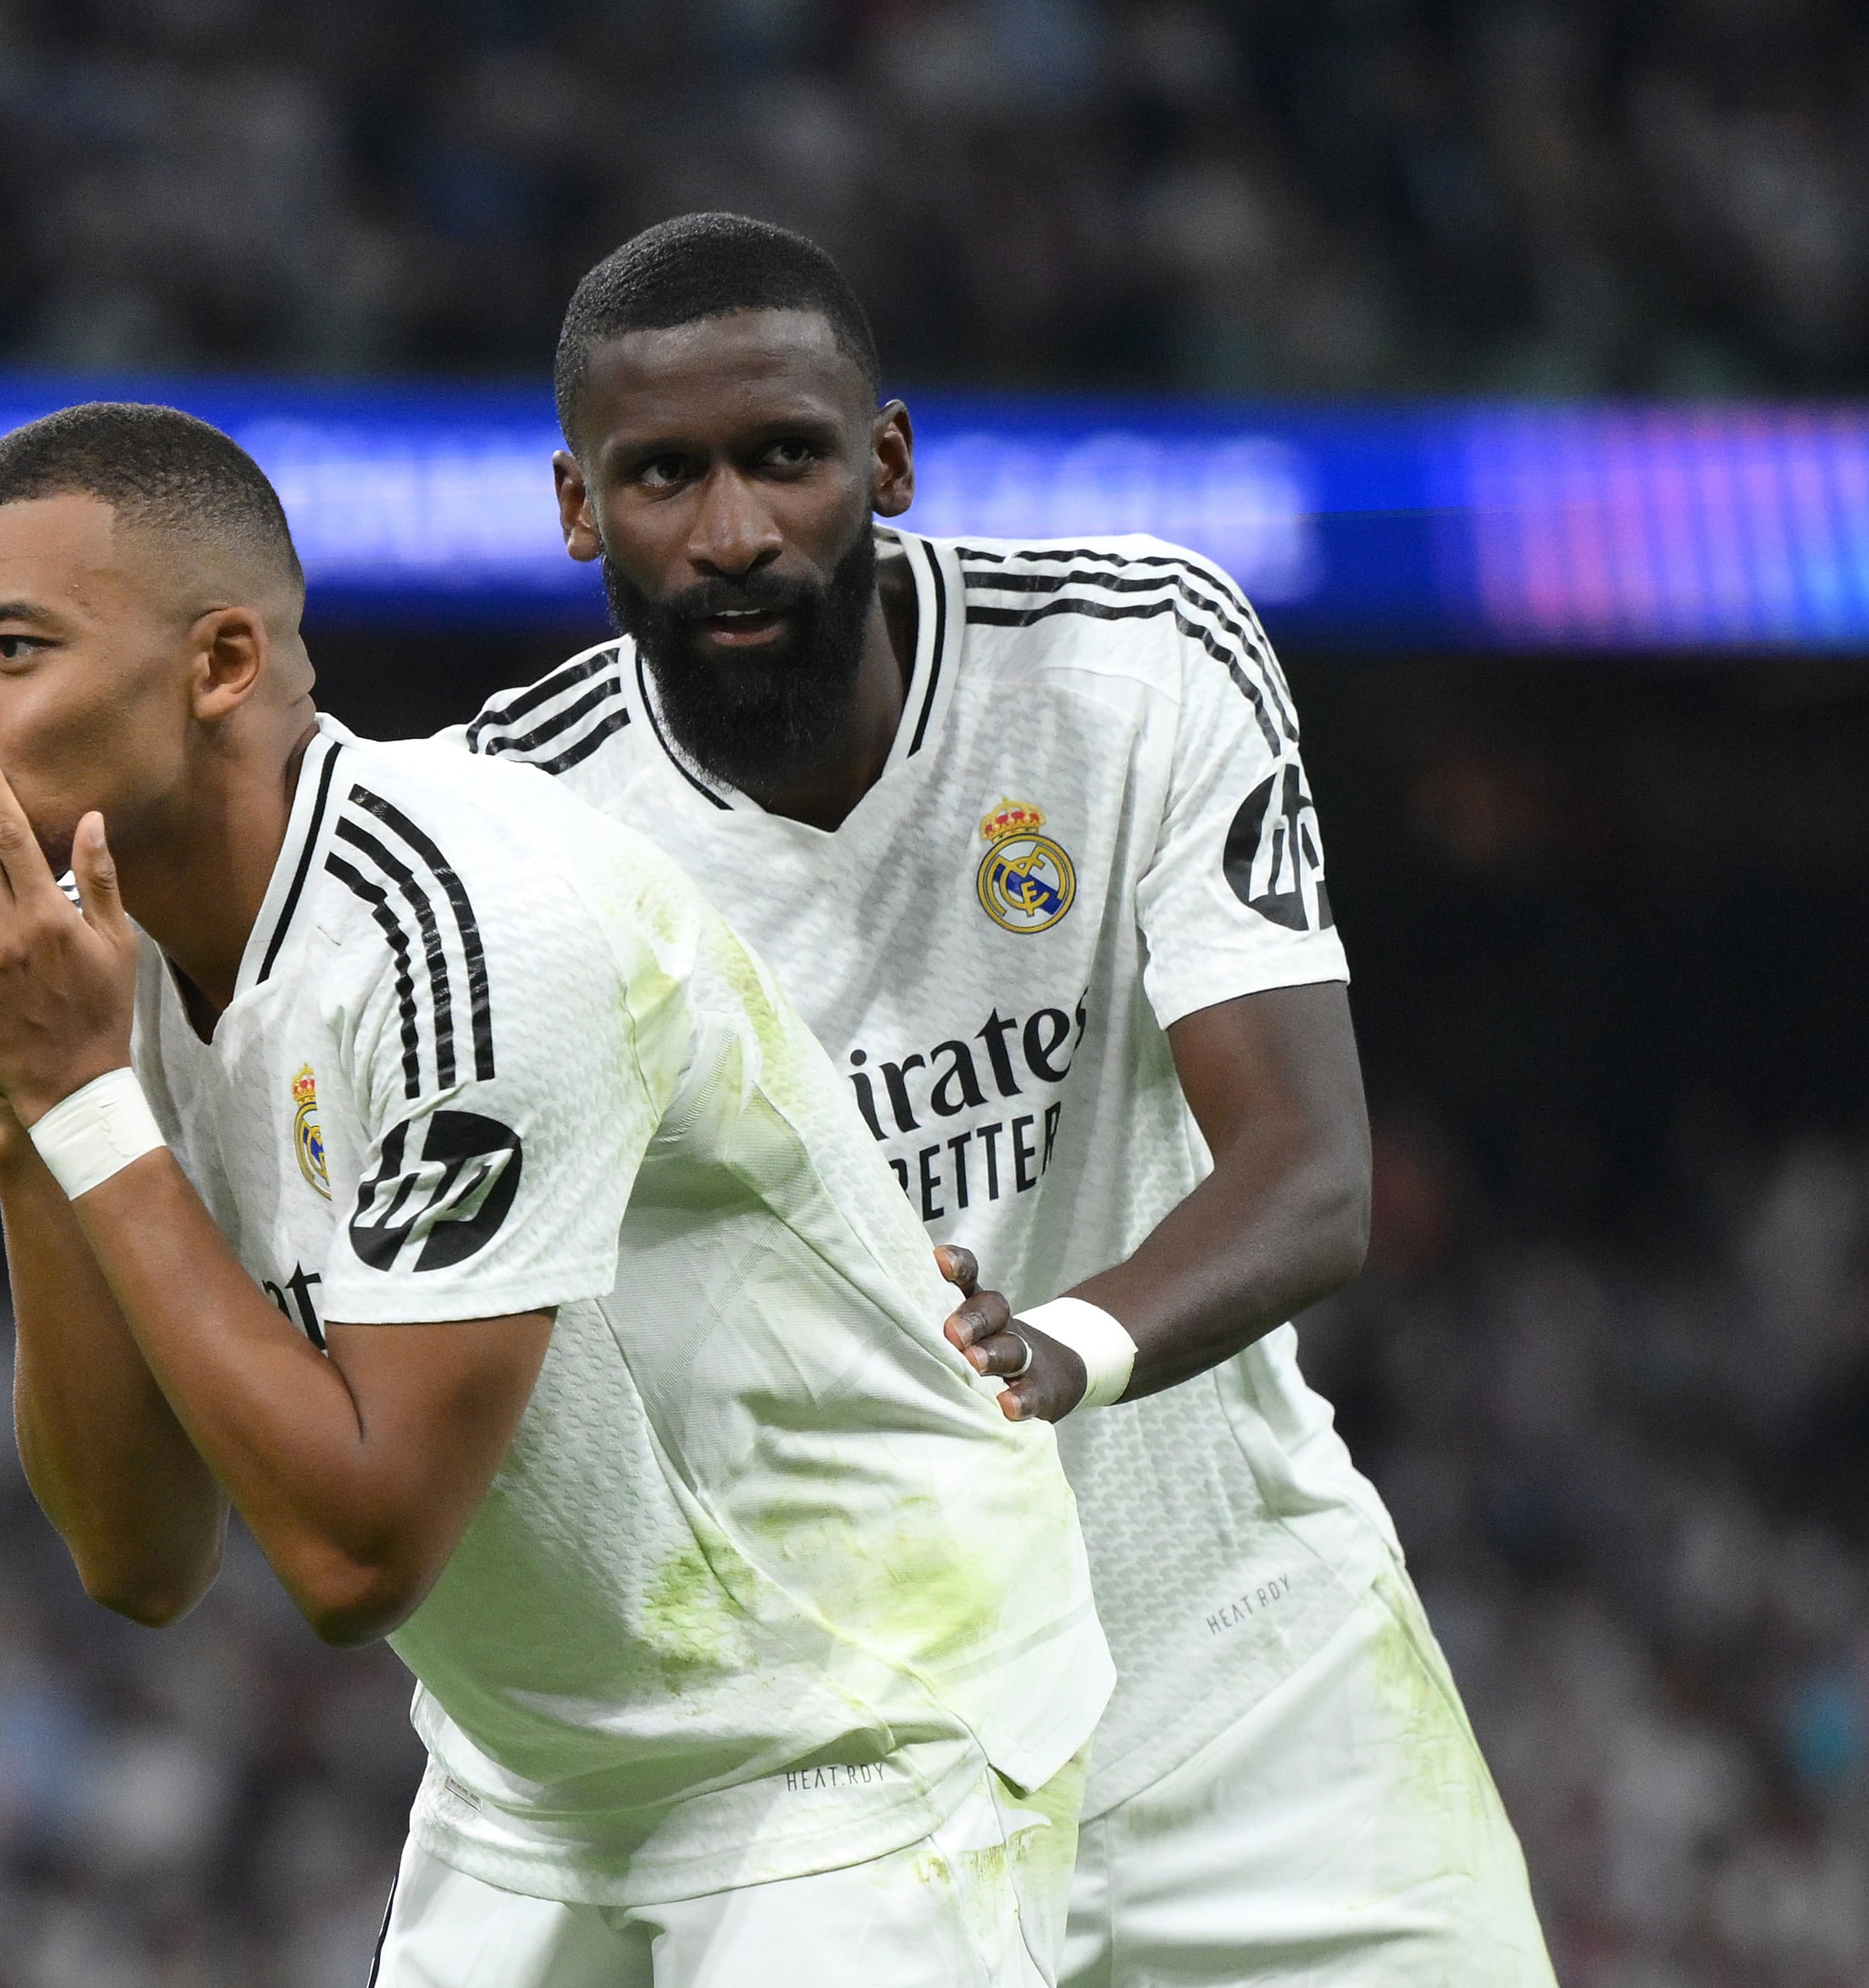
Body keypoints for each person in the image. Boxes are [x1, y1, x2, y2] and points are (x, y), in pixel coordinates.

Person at [0, 401, 1113, 1984]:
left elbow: (356, 1553)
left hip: (855, 1722)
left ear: (221, 668)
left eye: (8, 646)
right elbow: (138, 1557)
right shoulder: (91, 965)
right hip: (533, 1768)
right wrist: (16, 1109)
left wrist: (69, 1092)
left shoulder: (466, 933)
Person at [459, 213, 1554, 1985]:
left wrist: (1044, 1349)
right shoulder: (508, 832)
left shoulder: (1129, 662)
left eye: (784, 457)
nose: (731, 531)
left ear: (881, 460)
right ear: (578, 509)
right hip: (824, 1766)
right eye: (660, 475)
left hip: (1240, 1670)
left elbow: (1305, 1173)